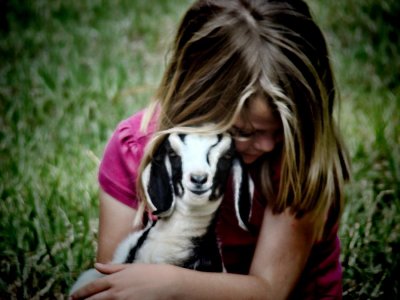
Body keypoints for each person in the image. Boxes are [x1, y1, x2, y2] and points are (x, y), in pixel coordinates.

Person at [70, 0, 350, 299]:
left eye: (282, 131)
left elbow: (270, 290)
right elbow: (115, 278)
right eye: (244, 131)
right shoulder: (134, 148)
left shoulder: (297, 158)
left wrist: (172, 285)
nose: (268, 145)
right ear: (199, 101)